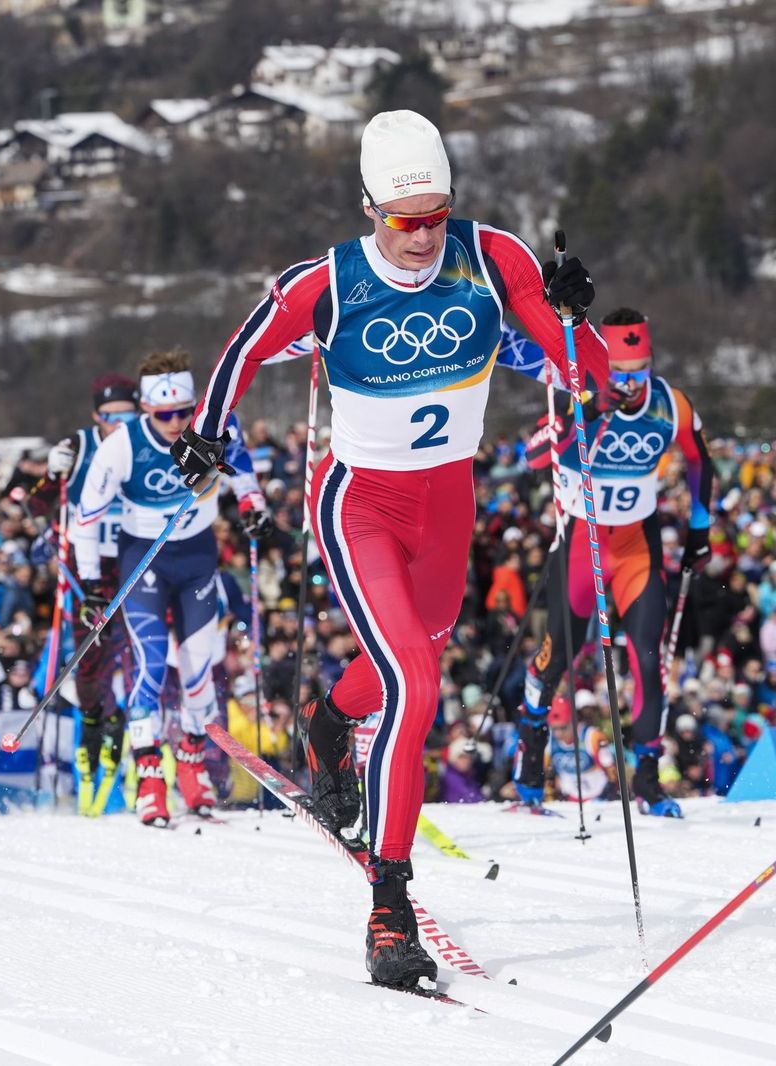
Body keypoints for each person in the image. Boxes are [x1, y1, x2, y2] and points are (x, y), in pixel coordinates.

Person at [170, 109, 610, 988]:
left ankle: (331, 721)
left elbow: (585, 374)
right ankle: (390, 901)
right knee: (415, 679)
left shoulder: (493, 257)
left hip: (449, 498)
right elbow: (242, 350)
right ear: (370, 208)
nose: (421, 236)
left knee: (407, 662)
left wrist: (573, 317)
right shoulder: (327, 281)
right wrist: (209, 434)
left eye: (435, 215)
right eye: (404, 220)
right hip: (360, 500)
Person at [513, 307, 715, 818]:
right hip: (583, 542)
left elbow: (699, 459)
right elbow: (533, 455)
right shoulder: (586, 396)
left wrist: (698, 525)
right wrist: (586, 411)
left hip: (635, 546)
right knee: (560, 653)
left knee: (648, 656)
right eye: (620, 371)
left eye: (638, 369)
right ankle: (532, 753)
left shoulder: (671, 404)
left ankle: (647, 777)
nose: (628, 382)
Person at [72, 349, 265, 828]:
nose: (177, 423)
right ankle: (151, 775)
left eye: (184, 412)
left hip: (197, 557)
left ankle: (193, 763)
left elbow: (242, 466)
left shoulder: (217, 424)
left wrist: (252, 504)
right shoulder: (120, 446)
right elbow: (85, 520)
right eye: (165, 415)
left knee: (200, 669)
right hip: (144, 560)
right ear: (146, 410)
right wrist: (94, 584)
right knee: (152, 665)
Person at [46, 373, 141, 816]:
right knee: (90, 667)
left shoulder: (144, 441)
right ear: (95, 418)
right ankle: (90, 747)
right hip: (87, 573)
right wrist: (50, 475)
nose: (119, 426)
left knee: (133, 659)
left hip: (133, 564)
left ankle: (137, 756)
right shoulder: (80, 445)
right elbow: (33, 502)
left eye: (127, 416)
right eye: (110, 418)